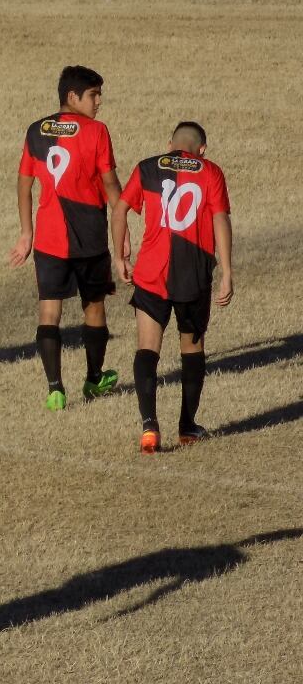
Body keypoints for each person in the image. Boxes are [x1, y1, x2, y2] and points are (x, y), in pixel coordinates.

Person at [111, 122, 233, 454]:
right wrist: (227, 271)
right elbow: (221, 218)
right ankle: (187, 428)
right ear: (202, 149)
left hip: (151, 273)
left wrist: (121, 254)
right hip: (192, 276)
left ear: (170, 144)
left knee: (146, 349)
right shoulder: (211, 172)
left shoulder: (148, 167)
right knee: (191, 351)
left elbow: (119, 209)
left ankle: (149, 426)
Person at [9, 66, 123, 411]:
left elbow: (24, 184)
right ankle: (93, 378)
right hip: (88, 236)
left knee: (49, 312)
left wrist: (26, 232)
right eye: (94, 95)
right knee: (95, 306)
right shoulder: (97, 132)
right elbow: (110, 185)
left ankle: (55, 389)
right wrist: (124, 230)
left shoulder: (36, 130)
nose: (99, 102)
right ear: (72, 96)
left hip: (47, 238)